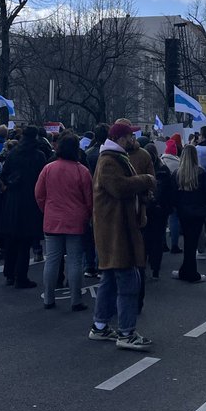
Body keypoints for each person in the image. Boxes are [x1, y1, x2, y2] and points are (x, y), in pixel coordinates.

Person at [89, 121, 156, 350]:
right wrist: (145, 180)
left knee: (109, 280)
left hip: (114, 227)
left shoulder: (113, 158)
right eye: (129, 136)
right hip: (117, 230)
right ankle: (126, 332)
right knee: (128, 281)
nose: (133, 139)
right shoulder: (109, 161)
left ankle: (100, 326)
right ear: (120, 138)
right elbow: (118, 187)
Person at [35, 134, 94, 310]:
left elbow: (39, 194)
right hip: (75, 220)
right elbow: (89, 198)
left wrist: (46, 210)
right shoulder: (82, 171)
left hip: (52, 218)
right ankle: (76, 300)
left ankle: (49, 298)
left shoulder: (48, 168)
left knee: (52, 259)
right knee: (75, 260)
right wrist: (88, 215)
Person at [1, 126, 48, 288]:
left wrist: (11, 184)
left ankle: (8, 274)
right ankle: (21, 276)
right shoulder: (38, 155)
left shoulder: (13, 153)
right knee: (25, 240)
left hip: (13, 199)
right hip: (30, 200)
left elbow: (4, 174)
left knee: (11, 239)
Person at [172, 144, 206, 284]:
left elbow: (172, 194)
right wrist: (202, 203)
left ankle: (185, 270)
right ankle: (191, 273)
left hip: (183, 212)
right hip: (198, 212)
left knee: (188, 243)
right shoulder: (201, 173)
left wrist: (177, 206)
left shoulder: (177, 173)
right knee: (192, 243)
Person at [142, 142, 176, 279]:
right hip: (160, 210)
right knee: (157, 239)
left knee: (144, 239)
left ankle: (142, 266)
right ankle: (155, 268)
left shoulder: (141, 168)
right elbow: (169, 190)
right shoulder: (163, 169)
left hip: (146, 208)